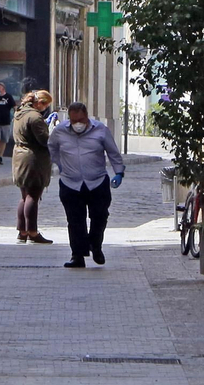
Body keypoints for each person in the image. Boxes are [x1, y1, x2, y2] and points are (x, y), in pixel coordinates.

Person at [47, 102, 125, 268]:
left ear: (87, 116)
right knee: (75, 220)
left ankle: (95, 246)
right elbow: (52, 149)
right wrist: (61, 165)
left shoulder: (100, 130)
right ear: (69, 119)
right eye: (74, 121)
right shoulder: (60, 131)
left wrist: (119, 172)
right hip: (70, 182)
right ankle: (77, 255)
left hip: (97, 181)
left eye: (81, 120)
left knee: (100, 216)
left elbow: (113, 152)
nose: (78, 124)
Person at [12, 90, 53, 244]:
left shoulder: (20, 113)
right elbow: (43, 140)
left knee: (24, 195)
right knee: (33, 195)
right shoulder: (35, 117)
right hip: (32, 158)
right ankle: (33, 232)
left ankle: (22, 231)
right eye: (46, 104)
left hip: (19, 156)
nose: (46, 107)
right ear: (39, 102)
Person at [0, 82, 17, 164]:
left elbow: (14, 107)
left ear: (3, 88)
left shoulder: (8, 97)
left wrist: (16, 116)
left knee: (4, 140)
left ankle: (0, 156)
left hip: (6, 122)